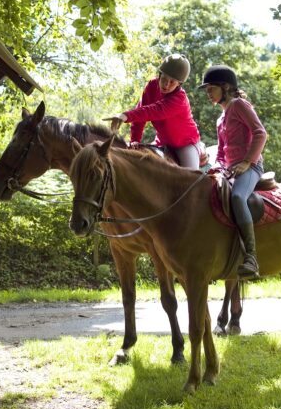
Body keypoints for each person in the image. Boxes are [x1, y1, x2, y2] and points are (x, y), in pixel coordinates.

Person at [199, 65, 267, 279]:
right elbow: (220, 152)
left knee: (238, 197)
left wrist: (247, 162)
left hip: (251, 167)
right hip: (229, 170)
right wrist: (216, 168)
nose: (208, 94)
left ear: (225, 87)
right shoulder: (220, 119)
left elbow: (260, 133)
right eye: (207, 90)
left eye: (211, 89)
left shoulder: (239, 105)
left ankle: (251, 257)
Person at [104, 54, 201, 169]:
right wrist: (135, 140)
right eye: (164, 79)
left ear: (179, 84)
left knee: (190, 178)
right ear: (159, 75)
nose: (166, 85)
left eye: (172, 82)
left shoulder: (180, 99)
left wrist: (125, 116)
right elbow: (140, 113)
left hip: (185, 144)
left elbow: (153, 111)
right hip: (162, 142)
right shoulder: (151, 86)